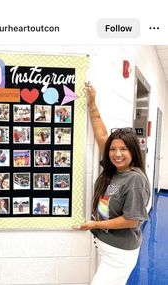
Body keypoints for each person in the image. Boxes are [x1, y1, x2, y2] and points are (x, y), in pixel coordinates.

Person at [73, 82, 150, 285]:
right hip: (107, 247)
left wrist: (95, 224)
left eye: (123, 149)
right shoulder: (113, 170)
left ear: (133, 151)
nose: (117, 154)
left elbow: (132, 220)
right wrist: (92, 104)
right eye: (113, 149)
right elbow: (101, 135)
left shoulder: (135, 179)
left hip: (119, 253)